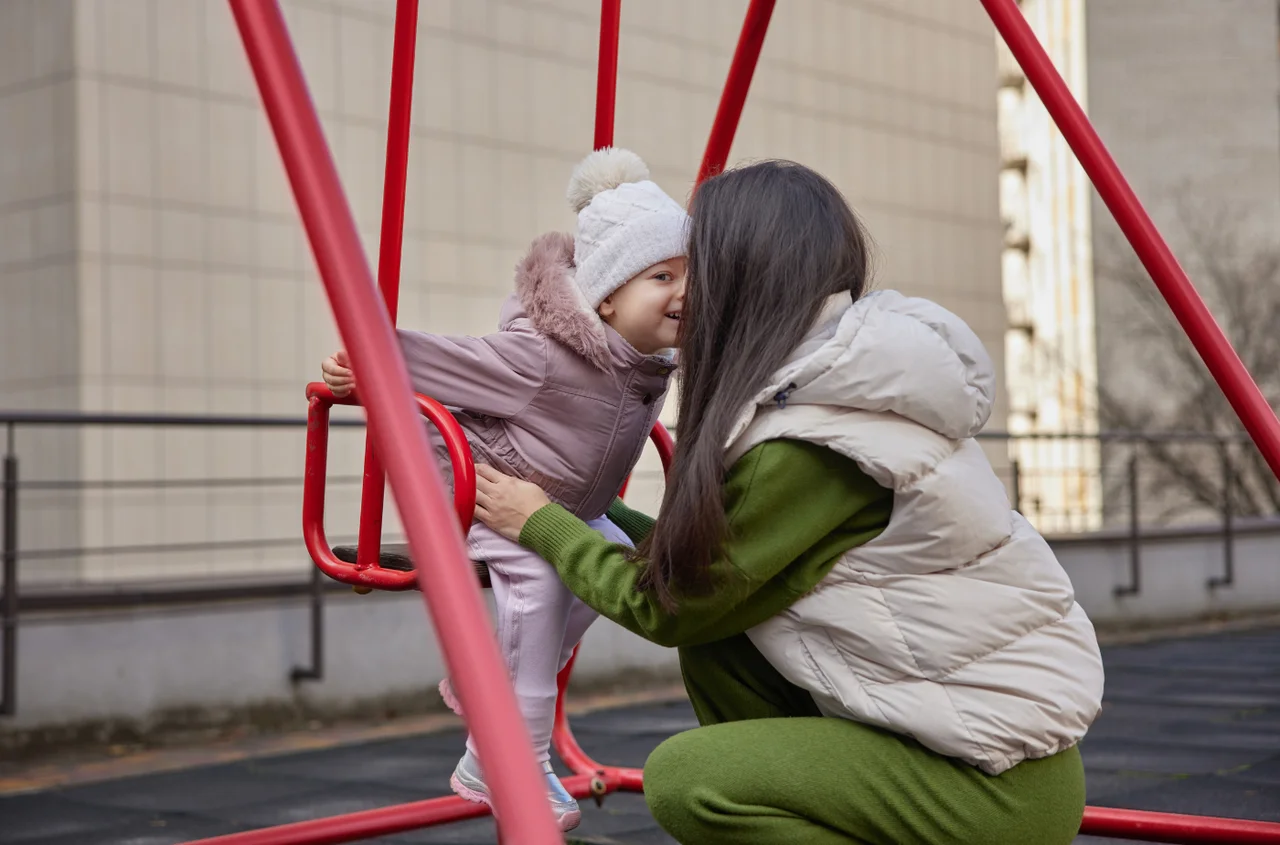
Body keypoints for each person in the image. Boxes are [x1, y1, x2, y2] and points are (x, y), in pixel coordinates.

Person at [470, 159, 1106, 844]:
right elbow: (719, 569)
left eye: (696, 269)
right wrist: (583, 504)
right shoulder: (833, 376)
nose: (686, 292)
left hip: (990, 785)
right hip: (953, 737)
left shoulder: (814, 441)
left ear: (743, 276)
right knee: (721, 639)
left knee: (690, 778)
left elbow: (668, 605)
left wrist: (541, 522)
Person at [320, 147, 689, 832]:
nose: (685, 291)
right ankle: (516, 761)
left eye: (693, 274)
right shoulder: (544, 358)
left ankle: (485, 710)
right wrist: (367, 363)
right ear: (607, 296)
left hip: (557, 504)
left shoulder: (643, 363)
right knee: (542, 581)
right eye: (663, 275)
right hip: (482, 491)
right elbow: (446, 360)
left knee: (609, 562)